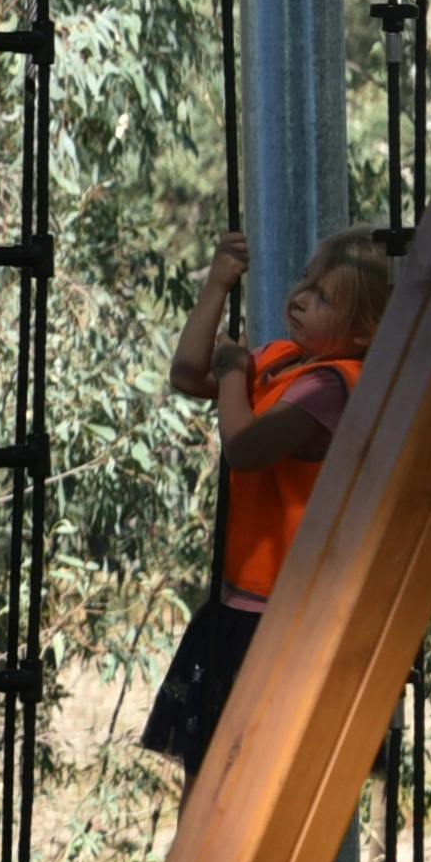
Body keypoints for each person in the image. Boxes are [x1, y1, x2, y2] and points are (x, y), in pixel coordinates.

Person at [138, 227, 390, 789]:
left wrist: (233, 373)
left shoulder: (333, 386)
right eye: (305, 282)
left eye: (323, 297)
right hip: (241, 605)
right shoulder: (282, 360)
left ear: (365, 330)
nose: (299, 297)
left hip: (283, 613)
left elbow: (246, 447)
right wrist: (218, 285)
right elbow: (185, 374)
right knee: (208, 774)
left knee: (249, 779)